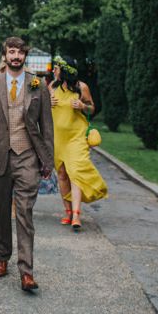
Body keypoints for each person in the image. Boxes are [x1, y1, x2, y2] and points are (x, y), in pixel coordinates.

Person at [0, 36, 54, 292]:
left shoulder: (37, 85)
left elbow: (47, 126)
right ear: (5, 55)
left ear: (25, 56)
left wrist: (47, 159)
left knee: (25, 212)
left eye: (20, 52)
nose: (16, 56)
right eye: (11, 52)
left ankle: (26, 272)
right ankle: (2, 256)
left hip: (27, 156)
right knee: (0, 212)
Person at [49, 55, 108, 231]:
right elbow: (31, 90)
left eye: (57, 68)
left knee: (75, 172)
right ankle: (67, 211)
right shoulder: (52, 86)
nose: (54, 70)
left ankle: (76, 214)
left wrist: (83, 107)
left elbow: (92, 108)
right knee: (61, 173)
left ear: (65, 70)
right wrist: (46, 101)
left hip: (76, 137)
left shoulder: (82, 87)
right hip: (58, 137)